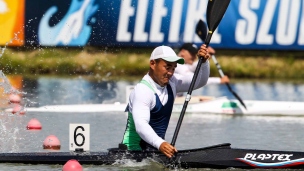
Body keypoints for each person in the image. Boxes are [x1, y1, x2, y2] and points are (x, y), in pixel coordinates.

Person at [121, 44, 210, 158]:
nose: (171, 73)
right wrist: (160, 143)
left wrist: (204, 63)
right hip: (131, 155)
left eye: (173, 68)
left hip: (155, 152)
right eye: (167, 67)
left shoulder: (172, 83)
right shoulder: (142, 90)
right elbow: (141, 125)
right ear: (153, 64)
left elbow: (199, 82)